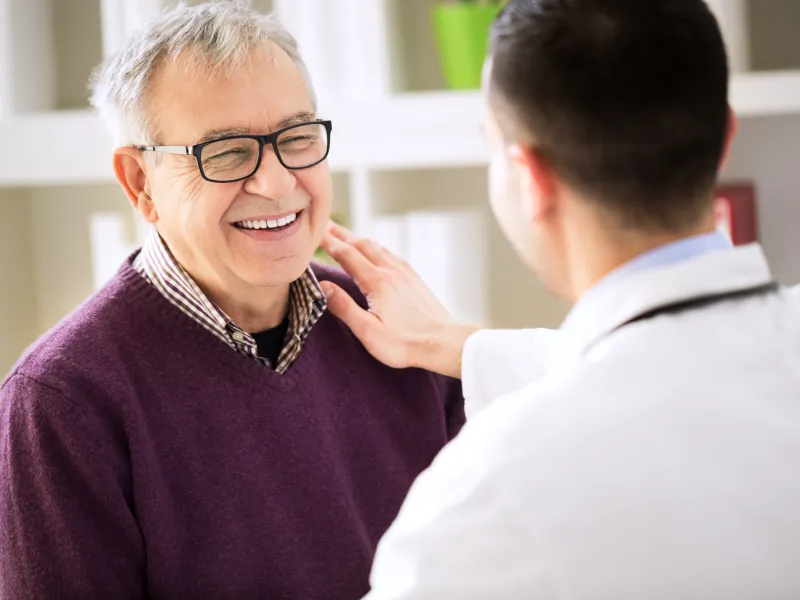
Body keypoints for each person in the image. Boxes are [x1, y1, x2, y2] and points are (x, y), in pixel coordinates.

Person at [319, 0, 800, 597]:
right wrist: (458, 344)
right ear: (725, 137)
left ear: (530, 178)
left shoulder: (489, 499)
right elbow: (676, 370)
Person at [0, 3, 464, 599]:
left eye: (297, 138)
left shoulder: (398, 327)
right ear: (141, 183)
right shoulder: (61, 401)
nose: (276, 183)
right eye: (225, 152)